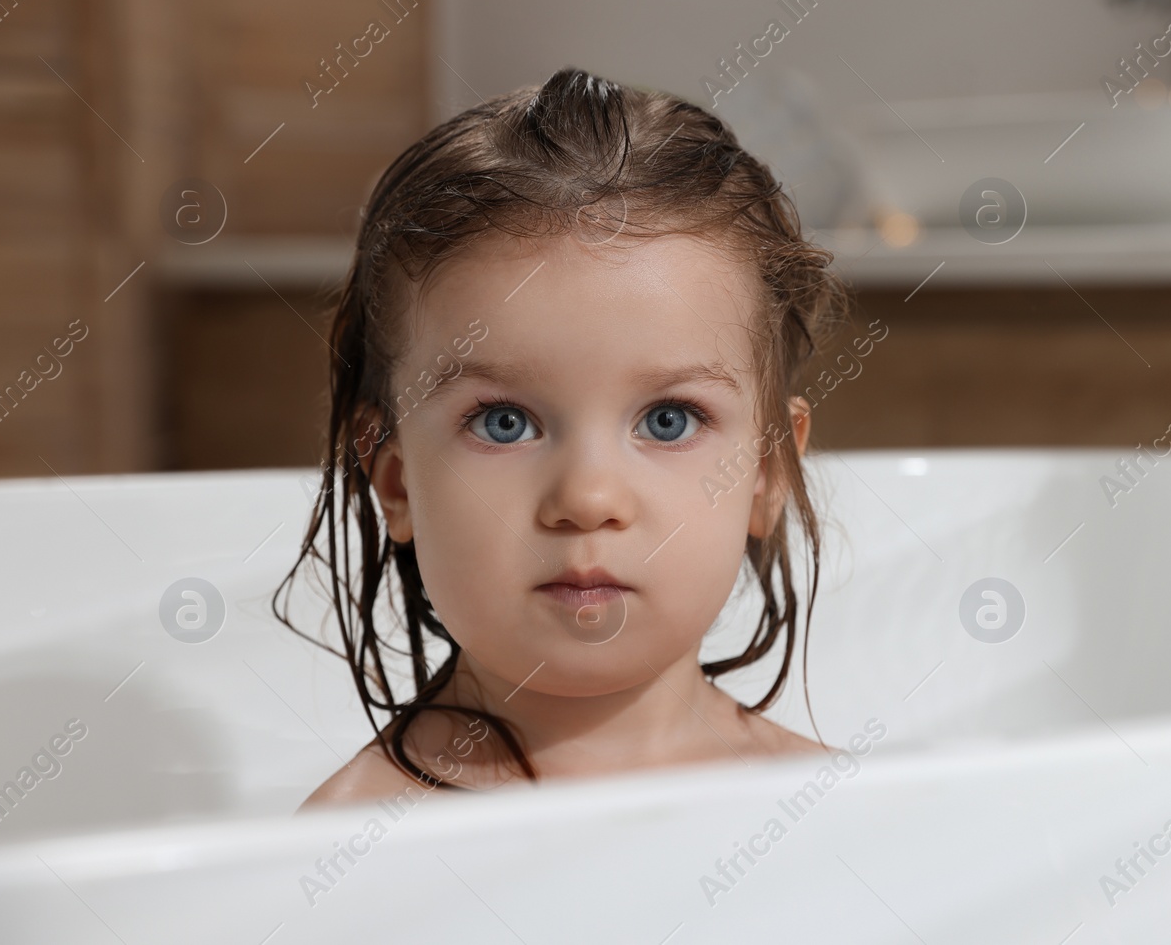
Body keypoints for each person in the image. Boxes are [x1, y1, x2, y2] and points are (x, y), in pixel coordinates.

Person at [273, 67, 858, 806]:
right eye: (504, 422)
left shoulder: (842, 807)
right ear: (395, 481)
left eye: (667, 420)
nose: (586, 497)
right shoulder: (350, 843)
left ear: (767, 473)